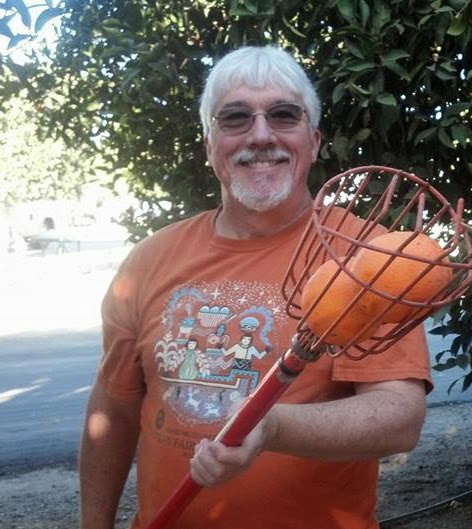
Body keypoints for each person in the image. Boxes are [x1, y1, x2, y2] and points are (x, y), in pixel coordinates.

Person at [79, 45, 432, 529]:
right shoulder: (149, 261)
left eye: (284, 115)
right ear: (210, 145)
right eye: (235, 118)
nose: (261, 135)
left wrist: (271, 427)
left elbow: (399, 416)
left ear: (313, 140)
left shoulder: (367, 256)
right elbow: (113, 410)